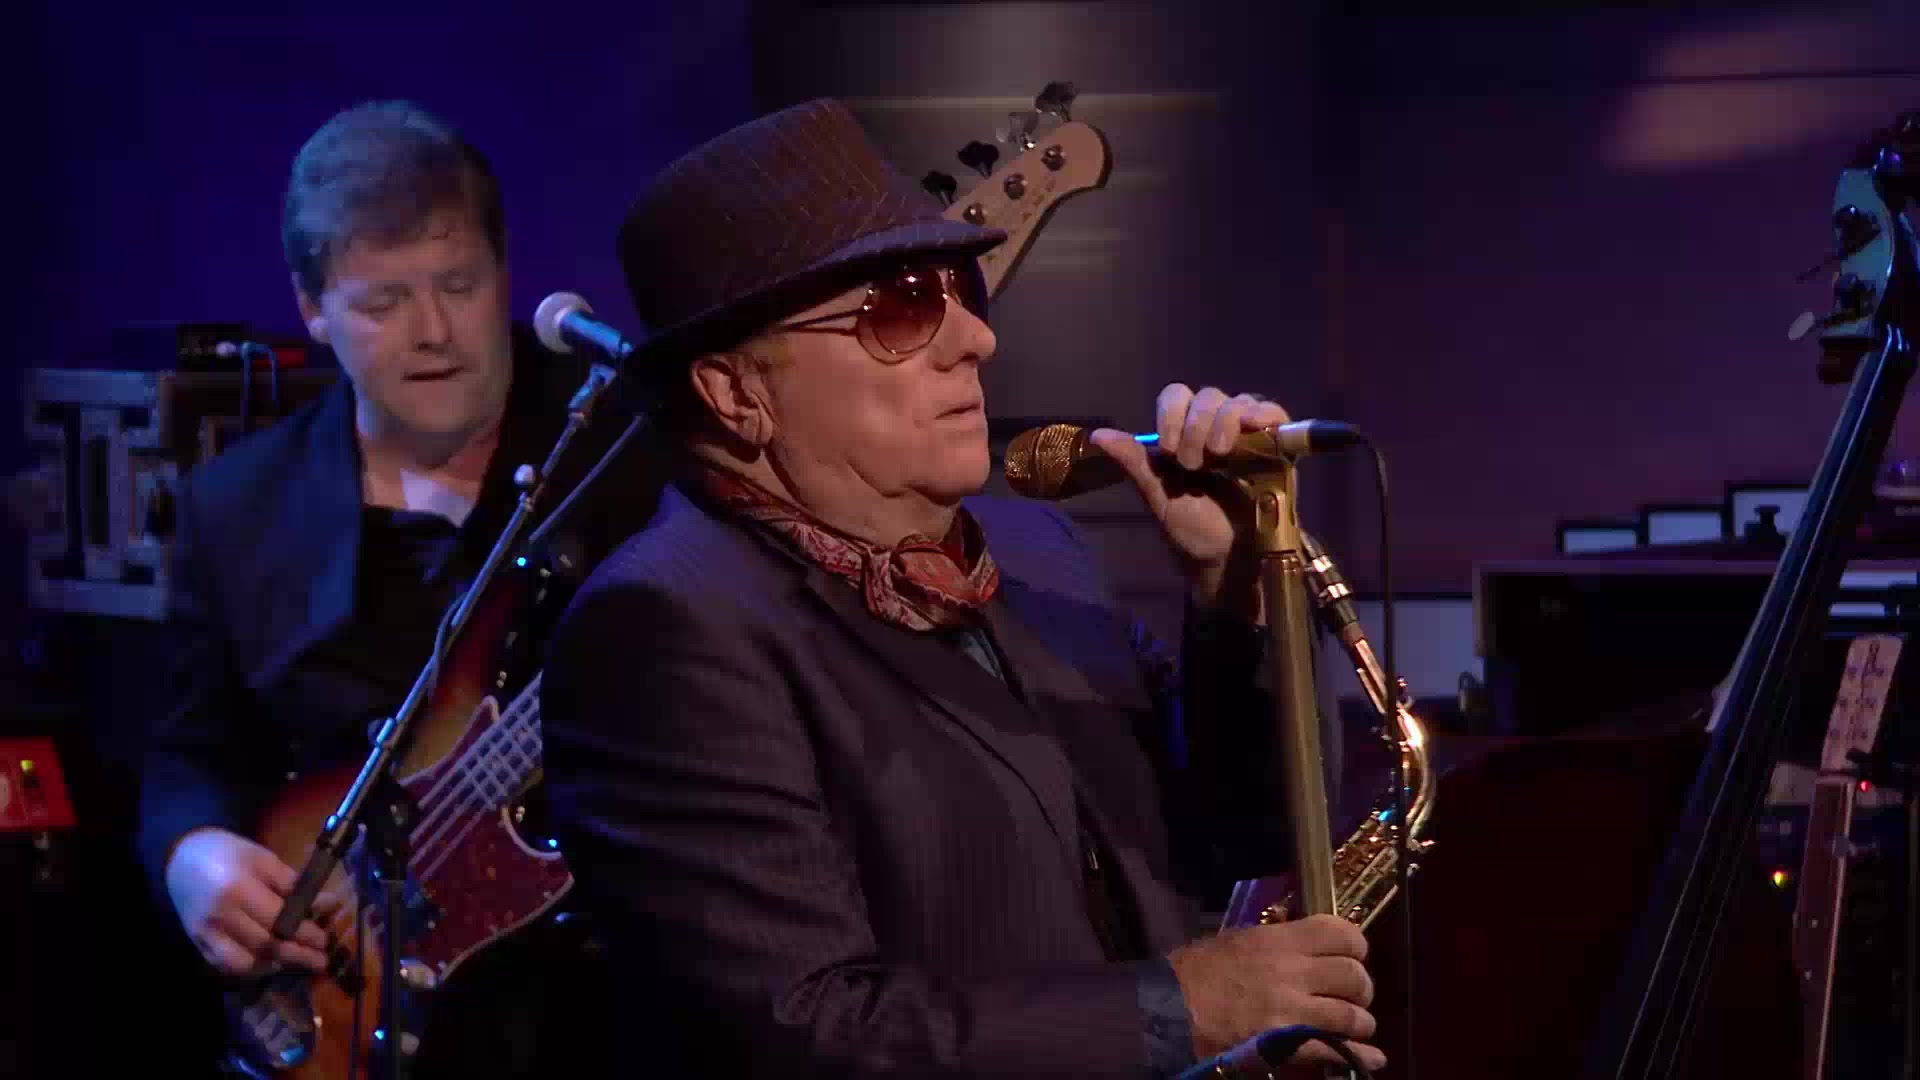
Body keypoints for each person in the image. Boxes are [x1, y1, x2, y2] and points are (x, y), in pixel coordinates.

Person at [537, 98, 1383, 1077]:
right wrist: (1186, 1010)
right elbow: (803, 1031)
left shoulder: (1036, 550)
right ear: (736, 393)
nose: (974, 339)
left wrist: (1240, 593)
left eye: (961, 288)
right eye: (902, 306)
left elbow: (1242, 833)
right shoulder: (662, 627)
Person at [134, 99, 657, 1077]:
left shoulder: (627, 447)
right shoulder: (238, 507)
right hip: (350, 998)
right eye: (382, 304)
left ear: (505, 270)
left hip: (606, 997)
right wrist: (190, 854)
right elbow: (187, 752)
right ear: (312, 308)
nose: (434, 333)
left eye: (460, 285)